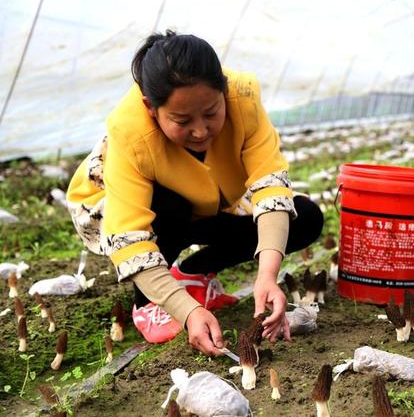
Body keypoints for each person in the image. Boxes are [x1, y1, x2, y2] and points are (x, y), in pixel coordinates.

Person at [66, 31, 324, 355]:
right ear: (151, 108)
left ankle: (193, 273)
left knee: (305, 217)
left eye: (212, 112)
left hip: (209, 198)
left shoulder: (243, 98)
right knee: (169, 203)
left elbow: (271, 187)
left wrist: (267, 275)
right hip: (130, 206)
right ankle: (148, 303)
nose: (200, 130)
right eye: (182, 120)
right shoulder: (129, 132)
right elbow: (130, 236)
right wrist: (186, 312)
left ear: (224, 92)